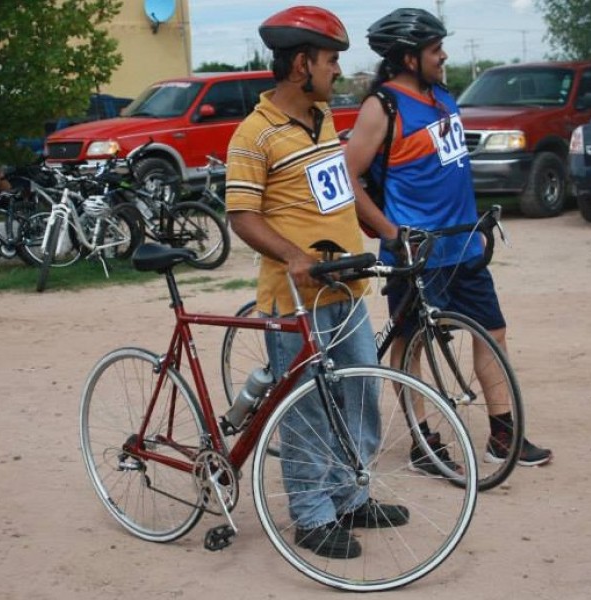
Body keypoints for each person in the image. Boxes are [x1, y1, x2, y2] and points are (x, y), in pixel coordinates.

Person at [224, 6, 408, 560]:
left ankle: (348, 496)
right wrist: (293, 255)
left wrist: (391, 234)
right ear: (301, 64)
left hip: (345, 287)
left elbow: (340, 192)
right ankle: (311, 516)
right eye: (330, 61)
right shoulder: (253, 135)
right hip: (294, 298)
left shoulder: (323, 120)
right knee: (306, 406)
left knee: (360, 394)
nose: (337, 71)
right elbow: (241, 215)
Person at [344, 7, 553, 469]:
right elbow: (348, 176)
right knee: (411, 341)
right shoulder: (383, 107)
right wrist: (390, 232)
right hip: (416, 250)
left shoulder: (442, 96)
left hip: (463, 244)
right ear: (408, 58)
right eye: (435, 49)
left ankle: (502, 435)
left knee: (492, 333)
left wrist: (474, 224)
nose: (444, 56)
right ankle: (422, 440)